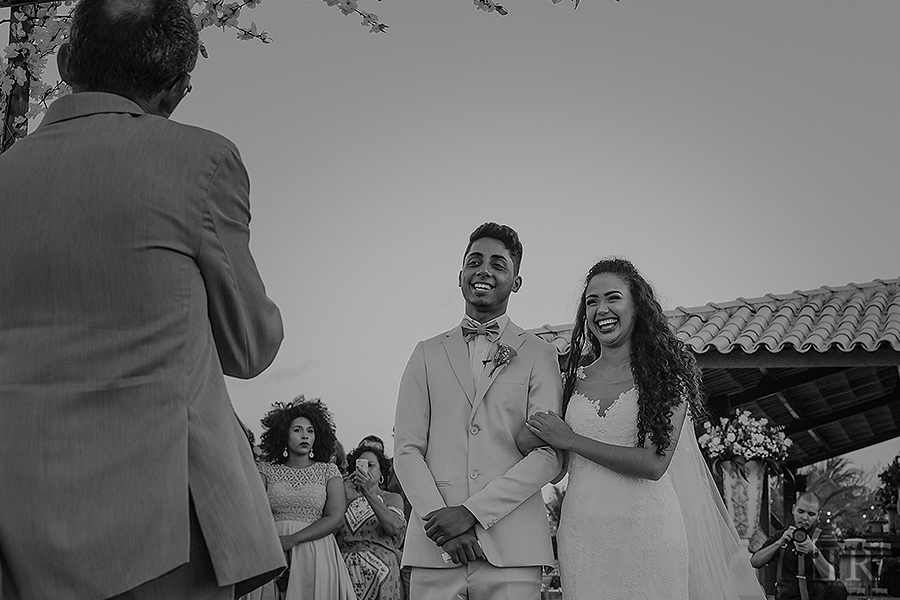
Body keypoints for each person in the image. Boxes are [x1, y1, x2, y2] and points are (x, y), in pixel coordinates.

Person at [0, 0, 285, 598]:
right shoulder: (202, 161)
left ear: (64, 61)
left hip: (18, 525)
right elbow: (249, 347)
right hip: (163, 527)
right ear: (177, 89)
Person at [525, 258, 765, 600]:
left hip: (647, 533)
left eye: (613, 298)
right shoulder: (570, 382)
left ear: (637, 306)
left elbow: (654, 464)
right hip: (582, 534)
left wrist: (572, 439)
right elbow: (556, 465)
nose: (601, 309)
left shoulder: (667, 380)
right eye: (592, 301)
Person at [393, 222, 563, 599]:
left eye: (498, 265)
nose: (483, 271)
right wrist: (441, 524)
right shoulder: (425, 353)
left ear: (516, 282)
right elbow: (406, 450)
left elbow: (549, 454)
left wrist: (470, 513)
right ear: (460, 276)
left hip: (513, 548)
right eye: (474, 262)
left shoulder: (540, 354)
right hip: (434, 550)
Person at [250, 398, 357, 600]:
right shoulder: (265, 470)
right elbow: (254, 513)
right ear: (284, 434)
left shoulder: (328, 471)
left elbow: (335, 518)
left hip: (315, 552)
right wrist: (274, 543)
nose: (305, 436)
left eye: (310, 431)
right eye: (297, 430)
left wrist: (292, 540)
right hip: (273, 551)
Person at [337, 445, 407, 600]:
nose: (366, 470)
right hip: (345, 574)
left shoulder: (391, 498)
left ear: (381, 473)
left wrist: (368, 492)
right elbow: (332, 532)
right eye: (361, 465)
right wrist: (346, 501)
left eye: (371, 465)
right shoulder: (344, 497)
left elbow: (395, 528)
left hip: (382, 575)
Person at [751, 492, 848, 600]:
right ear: (793, 509)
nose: (804, 518)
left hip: (817, 597)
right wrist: (778, 543)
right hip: (787, 597)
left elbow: (832, 577)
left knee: (838, 588)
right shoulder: (781, 536)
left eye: (811, 514)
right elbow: (755, 562)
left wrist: (814, 551)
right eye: (800, 512)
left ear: (818, 516)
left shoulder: (826, 539)